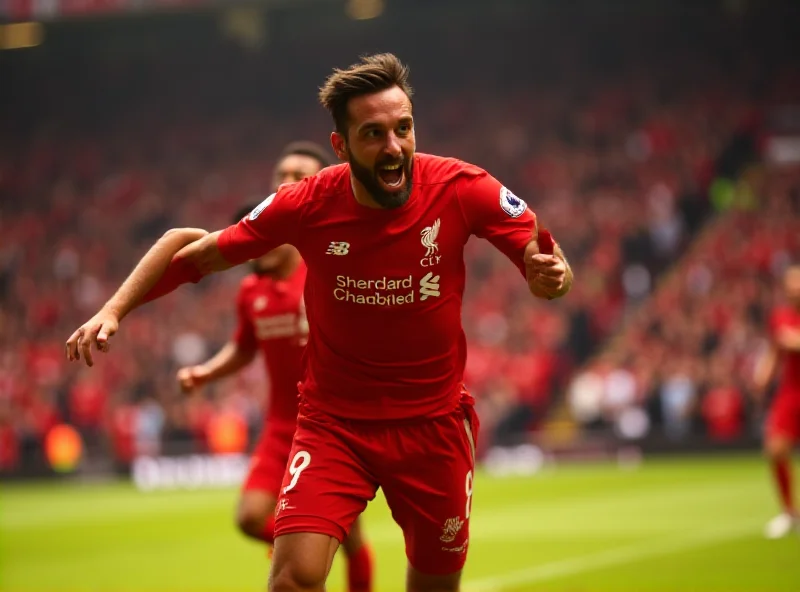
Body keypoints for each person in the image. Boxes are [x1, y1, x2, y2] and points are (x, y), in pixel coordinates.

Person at [66, 53, 573, 592]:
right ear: (341, 146)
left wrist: (552, 278)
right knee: (293, 579)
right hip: (335, 424)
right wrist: (114, 309)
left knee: (433, 584)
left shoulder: (461, 186)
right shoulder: (306, 203)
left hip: (434, 427)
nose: (394, 146)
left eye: (403, 128)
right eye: (373, 134)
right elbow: (193, 253)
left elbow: (548, 260)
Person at [175, 142, 373, 590]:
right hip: (282, 424)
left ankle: (317, 558)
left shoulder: (334, 266)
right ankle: (305, 552)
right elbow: (244, 347)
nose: (286, 181)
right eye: (280, 173)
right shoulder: (252, 288)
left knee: (351, 535)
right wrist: (207, 372)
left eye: (299, 174)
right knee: (249, 517)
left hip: (335, 424)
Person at [754, 264, 800, 539]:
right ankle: (788, 512)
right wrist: (764, 375)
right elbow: (777, 347)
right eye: (792, 284)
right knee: (775, 449)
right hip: (791, 391)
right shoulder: (781, 316)